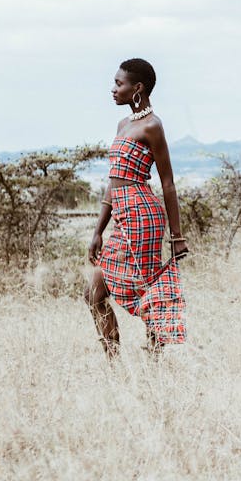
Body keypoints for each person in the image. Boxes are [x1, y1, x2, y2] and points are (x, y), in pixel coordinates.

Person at [84, 58, 188, 357]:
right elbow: (113, 180)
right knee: (93, 294)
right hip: (122, 216)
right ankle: (114, 367)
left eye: (119, 84)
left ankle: (154, 363)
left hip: (143, 216)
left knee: (147, 291)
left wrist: (177, 235)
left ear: (137, 88)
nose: (113, 89)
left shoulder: (152, 126)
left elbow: (167, 183)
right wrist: (98, 231)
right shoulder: (123, 124)